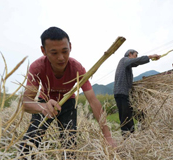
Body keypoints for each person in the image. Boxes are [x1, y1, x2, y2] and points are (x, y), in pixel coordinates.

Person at [20, 26, 115, 158]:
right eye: (54, 53)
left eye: (65, 51)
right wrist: (43, 107)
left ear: (70, 46)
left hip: (68, 103)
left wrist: (108, 136)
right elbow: (26, 102)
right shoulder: (37, 67)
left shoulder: (77, 68)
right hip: (45, 102)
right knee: (30, 141)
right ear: (43, 51)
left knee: (69, 143)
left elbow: (93, 101)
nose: (61, 58)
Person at [113, 49, 160, 137]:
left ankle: (143, 130)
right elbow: (135, 61)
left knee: (138, 112)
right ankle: (128, 139)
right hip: (121, 93)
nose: (136, 57)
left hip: (126, 93)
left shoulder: (127, 65)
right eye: (135, 55)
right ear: (130, 54)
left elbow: (135, 63)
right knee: (126, 117)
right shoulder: (124, 60)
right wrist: (150, 56)